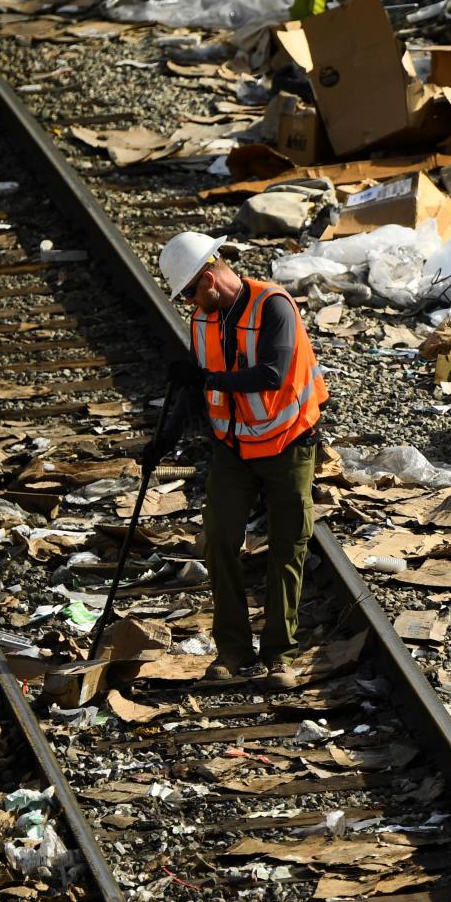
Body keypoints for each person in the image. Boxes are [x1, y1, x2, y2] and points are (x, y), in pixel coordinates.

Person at [147, 231, 328, 683]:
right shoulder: (202, 320)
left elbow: (272, 372)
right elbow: (195, 390)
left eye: (190, 291)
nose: (188, 301)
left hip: (288, 444)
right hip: (233, 449)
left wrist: (208, 378)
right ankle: (232, 653)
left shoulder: (274, 306)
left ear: (209, 278)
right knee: (221, 540)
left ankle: (279, 657)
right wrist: (163, 441)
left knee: (288, 546)